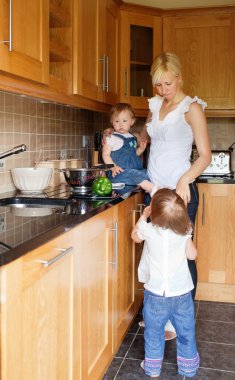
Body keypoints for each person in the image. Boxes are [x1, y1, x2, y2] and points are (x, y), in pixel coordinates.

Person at [131, 188, 200, 378]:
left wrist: (143, 217)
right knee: (186, 331)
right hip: (182, 292)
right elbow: (192, 255)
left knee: (154, 331)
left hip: (155, 293)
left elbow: (135, 236)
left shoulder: (149, 230)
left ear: (152, 211)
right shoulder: (184, 230)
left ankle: (153, 369)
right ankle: (188, 368)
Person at [102, 103, 157, 195]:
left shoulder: (131, 137)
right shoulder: (112, 137)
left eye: (124, 121)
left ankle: (151, 187)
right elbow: (105, 154)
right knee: (134, 174)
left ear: (132, 121)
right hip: (118, 173)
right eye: (116, 121)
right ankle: (155, 190)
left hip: (132, 171)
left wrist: (140, 149)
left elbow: (132, 155)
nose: (121, 125)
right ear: (112, 122)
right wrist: (113, 167)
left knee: (147, 172)